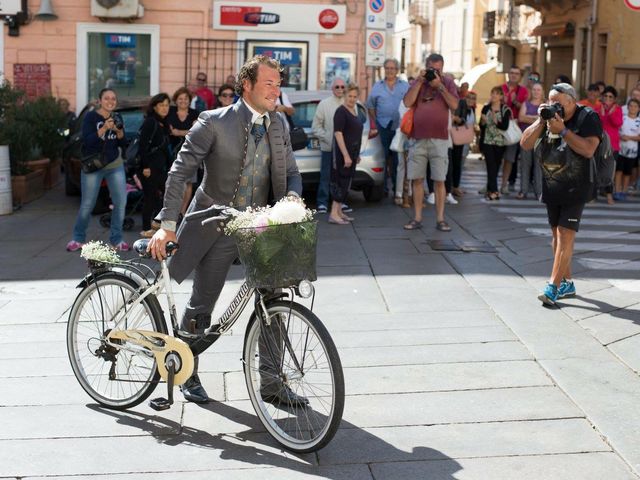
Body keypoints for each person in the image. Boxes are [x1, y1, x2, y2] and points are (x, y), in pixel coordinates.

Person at [148, 55, 303, 405]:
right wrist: (167, 226)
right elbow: (179, 172)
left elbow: (291, 172)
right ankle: (186, 370)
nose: (276, 90)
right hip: (215, 224)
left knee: (273, 301)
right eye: (269, 83)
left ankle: (272, 383)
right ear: (246, 85)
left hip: (261, 225)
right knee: (203, 301)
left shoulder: (278, 125)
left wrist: (292, 198)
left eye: (279, 84)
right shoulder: (212, 122)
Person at [520, 83, 602, 306]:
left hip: (578, 184)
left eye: (558, 102)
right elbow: (525, 144)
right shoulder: (548, 118)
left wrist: (563, 131)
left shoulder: (588, 117)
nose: (554, 106)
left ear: (571, 101)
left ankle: (552, 288)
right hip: (553, 183)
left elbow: (588, 149)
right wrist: (540, 120)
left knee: (566, 234)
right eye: (550, 101)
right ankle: (567, 282)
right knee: (556, 236)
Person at [66, 88, 129, 252]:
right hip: (93, 165)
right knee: (88, 204)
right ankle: (78, 238)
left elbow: (123, 143)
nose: (110, 101)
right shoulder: (90, 117)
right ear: (99, 100)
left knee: (120, 203)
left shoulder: (117, 117)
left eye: (113, 98)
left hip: (114, 165)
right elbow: (88, 141)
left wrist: (118, 132)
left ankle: (117, 240)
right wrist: (103, 129)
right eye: (107, 98)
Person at [402, 53, 459, 232]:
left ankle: (441, 219)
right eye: (432, 69)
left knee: (439, 180)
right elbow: (407, 102)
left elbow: (455, 105)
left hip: (440, 139)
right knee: (416, 179)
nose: (435, 72)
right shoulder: (418, 82)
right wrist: (419, 81)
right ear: (426, 67)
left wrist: (440, 86)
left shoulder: (448, 82)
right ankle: (417, 218)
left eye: (438, 69)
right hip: (418, 138)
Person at [366, 58, 410, 201]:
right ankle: (383, 189)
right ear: (384, 69)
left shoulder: (405, 86)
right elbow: (371, 106)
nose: (390, 71)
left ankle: (397, 190)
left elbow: (411, 105)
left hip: (400, 129)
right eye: (388, 68)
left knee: (399, 161)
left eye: (393, 68)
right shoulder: (377, 86)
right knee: (383, 159)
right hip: (382, 127)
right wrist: (376, 121)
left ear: (397, 70)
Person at [137, 93, 171, 238]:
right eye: (161, 105)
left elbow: (165, 148)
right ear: (155, 107)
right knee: (150, 197)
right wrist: (145, 167)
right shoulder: (150, 122)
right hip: (149, 167)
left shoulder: (164, 123)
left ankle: (158, 225)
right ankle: (146, 229)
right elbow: (142, 146)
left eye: (167, 105)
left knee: (164, 197)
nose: (164, 108)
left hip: (160, 167)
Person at [329, 84, 362, 224]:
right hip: (343, 154)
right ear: (345, 96)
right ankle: (333, 214)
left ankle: (339, 211)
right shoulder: (341, 112)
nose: (352, 99)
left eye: (355, 96)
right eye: (350, 96)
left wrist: (356, 155)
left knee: (347, 182)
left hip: (352, 154)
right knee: (340, 181)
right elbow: (338, 133)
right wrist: (346, 155)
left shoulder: (354, 110)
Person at [312, 78, 346, 213]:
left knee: (342, 176)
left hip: (344, 149)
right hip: (328, 147)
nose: (340, 89)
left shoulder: (349, 103)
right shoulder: (324, 104)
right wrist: (327, 137)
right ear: (332, 89)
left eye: (343, 87)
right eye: (337, 87)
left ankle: (340, 202)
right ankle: (322, 203)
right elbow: (315, 126)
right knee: (326, 176)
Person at [166, 87, 199, 217]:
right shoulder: (170, 112)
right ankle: (172, 210)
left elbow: (196, 132)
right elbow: (169, 132)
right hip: (172, 152)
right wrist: (187, 132)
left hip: (191, 152)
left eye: (186, 98)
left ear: (189, 100)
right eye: (180, 98)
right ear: (175, 100)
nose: (183, 101)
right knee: (173, 182)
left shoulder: (195, 113)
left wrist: (178, 132)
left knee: (189, 182)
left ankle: (183, 211)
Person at [479, 86, 511, 201]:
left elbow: (505, 126)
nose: (493, 96)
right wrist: (482, 122)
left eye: (496, 94)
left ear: (501, 96)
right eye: (492, 93)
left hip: (500, 143)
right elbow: (481, 126)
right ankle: (494, 192)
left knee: (496, 167)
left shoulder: (505, 109)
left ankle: (490, 189)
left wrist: (495, 119)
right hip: (487, 141)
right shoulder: (486, 108)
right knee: (490, 166)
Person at [501, 65, 529, 194]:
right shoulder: (501, 88)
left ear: (520, 77)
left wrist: (515, 102)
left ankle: (504, 184)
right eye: (511, 73)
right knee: (495, 157)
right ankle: (491, 184)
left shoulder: (523, 91)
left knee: (509, 157)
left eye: (516, 74)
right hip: (499, 126)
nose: (513, 75)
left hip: (513, 128)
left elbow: (524, 107)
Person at [516, 82, 545, 199]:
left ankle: (539, 192)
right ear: (531, 91)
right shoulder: (526, 103)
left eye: (538, 90)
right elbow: (521, 118)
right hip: (527, 139)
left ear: (542, 92)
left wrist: (530, 118)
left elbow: (546, 120)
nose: (536, 92)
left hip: (540, 140)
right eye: (534, 89)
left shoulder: (545, 105)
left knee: (539, 166)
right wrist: (537, 119)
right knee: (525, 165)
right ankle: (523, 191)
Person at [449, 88, 477, 198]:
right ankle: (453, 187)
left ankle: (455, 185)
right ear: (465, 97)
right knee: (455, 162)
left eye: (473, 98)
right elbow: (456, 118)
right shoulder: (461, 104)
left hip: (464, 139)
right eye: (469, 97)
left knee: (459, 163)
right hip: (457, 138)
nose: (471, 100)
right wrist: (460, 120)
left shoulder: (472, 109)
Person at [600, 86, 623, 204]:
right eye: (606, 96)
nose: (608, 98)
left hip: (613, 146)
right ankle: (594, 194)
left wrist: (609, 113)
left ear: (614, 99)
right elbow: (598, 124)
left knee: (610, 171)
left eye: (610, 97)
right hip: (599, 144)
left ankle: (609, 195)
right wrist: (603, 113)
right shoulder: (599, 108)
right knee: (597, 169)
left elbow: (618, 123)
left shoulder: (617, 109)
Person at [615, 98, 640, 200]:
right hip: (620, 150)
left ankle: (624, 191)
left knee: (627, 173)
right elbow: (616, 131)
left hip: (632, 152)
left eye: (635, 106)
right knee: (618, 171)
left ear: (638, 108)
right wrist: (621, 137)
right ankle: (617, 191)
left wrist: (628, 137)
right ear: (627, 107)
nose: (633, 108)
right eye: (631, 106)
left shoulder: (639, 121)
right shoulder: (622, 118)